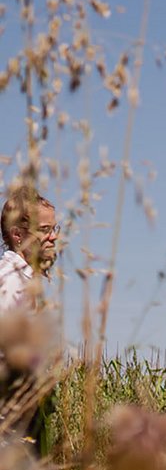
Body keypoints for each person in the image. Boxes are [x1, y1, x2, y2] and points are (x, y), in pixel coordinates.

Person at [0, 186, 60, 445]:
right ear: (17, 235)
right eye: (45, 230)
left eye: (54, 229)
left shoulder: (24, 280)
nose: (54, 238)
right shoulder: (10, 281)